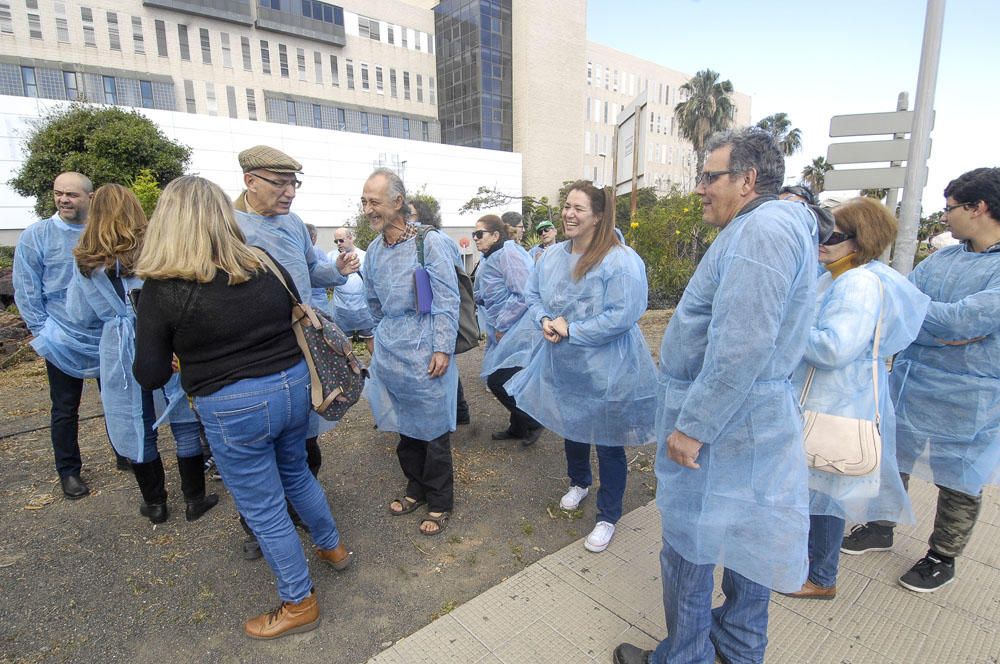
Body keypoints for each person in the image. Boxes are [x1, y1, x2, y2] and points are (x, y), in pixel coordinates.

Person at [616, 129, 820, 664]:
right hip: (750, 415)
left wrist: (694, 425)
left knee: (691, 547)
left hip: (725, 423)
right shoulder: (777, 223)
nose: (700, 188)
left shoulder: (763, 231)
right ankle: (735, 648)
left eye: (710, 176)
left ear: (748, 179)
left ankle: (684, 656)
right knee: (746, 540)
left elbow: (742, 343)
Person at [133, 175, 351, 640]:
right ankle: (333, 548)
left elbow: (149, 374)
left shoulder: (163, 288)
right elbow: (294, 310)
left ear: (166, 222)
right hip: (294, 388)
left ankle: (298, 603)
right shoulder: (263, 261)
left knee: (265, 507)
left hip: (232, 405)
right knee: (296, 472)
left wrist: (180, 352)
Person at [844, 168, 1000, 593]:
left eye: (950, 209)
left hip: (974, 395)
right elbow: (904, 310)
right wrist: (943, 328)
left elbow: (962, 319)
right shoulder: (944, 258)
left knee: (960, 477)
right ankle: (880, 525)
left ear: (979, 207)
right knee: (894, 456)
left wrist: (929, 320)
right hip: (913, 384)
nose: (945, 217)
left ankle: (942, 556)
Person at [781, 197, 928, 600]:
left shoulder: (857, 284)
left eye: (835, 235)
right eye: (823, 232)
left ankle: (821, 578)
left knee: (826, 493)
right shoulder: (838, 274)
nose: (823, 241)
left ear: (860, 240)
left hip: (837, 403)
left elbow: (834, 348)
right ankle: (809, 567)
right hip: (829, 398)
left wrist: (786, 331)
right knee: (817, 489)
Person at [503, 181, 657, 554]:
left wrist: (573, 329)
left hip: (610, 368)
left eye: (578, 208)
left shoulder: (619, 261)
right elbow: (534, 293)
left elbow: (623, 314)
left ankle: (608, 514)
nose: (569, 214)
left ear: (598, 216)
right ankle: (579, 482)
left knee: (607, 439)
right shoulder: (553, 255)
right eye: (567, 206)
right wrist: (543, 320)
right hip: (566, 361)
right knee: (572, 423)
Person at [66, 184, 219, 524]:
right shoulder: (156, 252)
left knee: (135, 422)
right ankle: (194, 498)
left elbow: (77, 314)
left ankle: (155, 504)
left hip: (117, 347)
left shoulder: (84, 260)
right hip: (163, 338)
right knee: (182, 417)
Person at [233, 145, 358, 481]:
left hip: (302, 341)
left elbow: (311, 269)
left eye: (294, 183)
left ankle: (302, 499)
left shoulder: (294, 223)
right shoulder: (228, 228)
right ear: (250, 181)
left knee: (305, 428)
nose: (289, 192)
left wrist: (338, 271)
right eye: (279, 183)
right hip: (256, 347)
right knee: (266, 430)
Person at [12, 171, 128, 500]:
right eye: (58, 193)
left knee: (117, 399)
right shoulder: (37, 236)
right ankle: (69, 470)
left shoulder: (103, 233)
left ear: (90, 198)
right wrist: (44, 333)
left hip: (107, 334)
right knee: (65, 408)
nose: (63, 199)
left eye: (72, 194)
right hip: (62, 336)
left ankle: (125, 452)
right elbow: (27, 288)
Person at [362, 168, 460, 536]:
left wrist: (441, 348)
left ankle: (440, 501)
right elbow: (372, 301)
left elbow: (447, 300)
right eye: (364, 202)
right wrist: (384, 334)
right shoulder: (373, 250)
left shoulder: (427, 243)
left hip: (425, 347)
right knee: (405, 426)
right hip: (390, 350)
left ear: (398, 202)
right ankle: (415, 488)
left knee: (433, 429)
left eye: (375, 201)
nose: (368, 209)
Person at [471, 214, 541, 446]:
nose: (475, 239)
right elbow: (493, 289)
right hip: (503, 328)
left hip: (516, 328)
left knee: (498, 380)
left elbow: (522, 293)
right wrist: (474, 297)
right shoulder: (492, 256)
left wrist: (502, 326)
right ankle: (518, 427)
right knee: (510, 376)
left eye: (479, 234)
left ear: (495, 235)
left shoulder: (508, 254)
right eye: (474, 234)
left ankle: (532, 421)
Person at [408, 197, 471, 426]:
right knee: (446, 365)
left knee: (441, 363)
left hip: (436, 311)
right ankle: (460, 412)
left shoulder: (434, 240)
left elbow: (448, 285)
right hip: (426, 310)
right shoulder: (416, 240)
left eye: (411, 215)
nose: (407, 220)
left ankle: (446, 418)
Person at [328, 227, 375, 355]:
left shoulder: (365, 256)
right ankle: (351, 368)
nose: (338, 244)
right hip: (341, 307)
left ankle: (377, 367)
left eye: (341, 240)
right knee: (344, 339)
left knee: (370, 338)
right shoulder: (331, 256)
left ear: (350, 238)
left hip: (363, 306)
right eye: (336, 241)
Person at [304, 223, 333, 316]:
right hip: (319, 299)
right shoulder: (317, 251)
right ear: (313, 237)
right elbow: (328, 275)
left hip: (302, 301)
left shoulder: (295, 252)